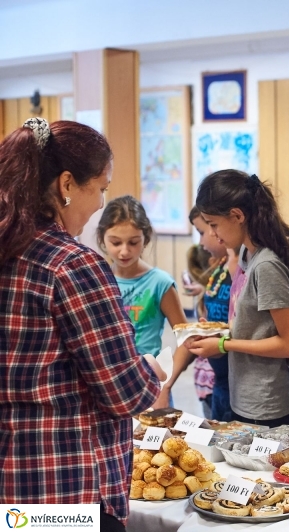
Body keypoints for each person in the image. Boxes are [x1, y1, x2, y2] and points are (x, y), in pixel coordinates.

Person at [0, 118, 162, 531]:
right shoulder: (72, 264)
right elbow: (126, 393)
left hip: (12, 489)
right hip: (63, 489)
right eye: (102, 188)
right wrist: (150, 372)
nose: (100, 204)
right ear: (67, 184)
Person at [189, 170, 289, 427]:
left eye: (213, 224)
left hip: (267, 402)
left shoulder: (266, 265)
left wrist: (223, 345)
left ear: (237, 216)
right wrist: (216, 332)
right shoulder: (246, 253)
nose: (213, 233)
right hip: (245, 394)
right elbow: (251, 325)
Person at [96, 195, 192, 409]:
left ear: (145, 238)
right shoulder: (98, 281)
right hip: (108, 387)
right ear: (102, 238)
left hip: (150, 386)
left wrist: (165, 385)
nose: (124, 251)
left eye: (133, 242)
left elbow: (187, 339)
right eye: (115, 242)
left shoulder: (160, 283)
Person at [161, 207, 236, 422]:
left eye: (203, 231)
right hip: (220, 384)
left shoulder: (245, 270)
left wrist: (222, 344)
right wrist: (166, 385)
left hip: (249, 392)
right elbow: (192, 337)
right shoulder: (219, 269)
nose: (202, 243)